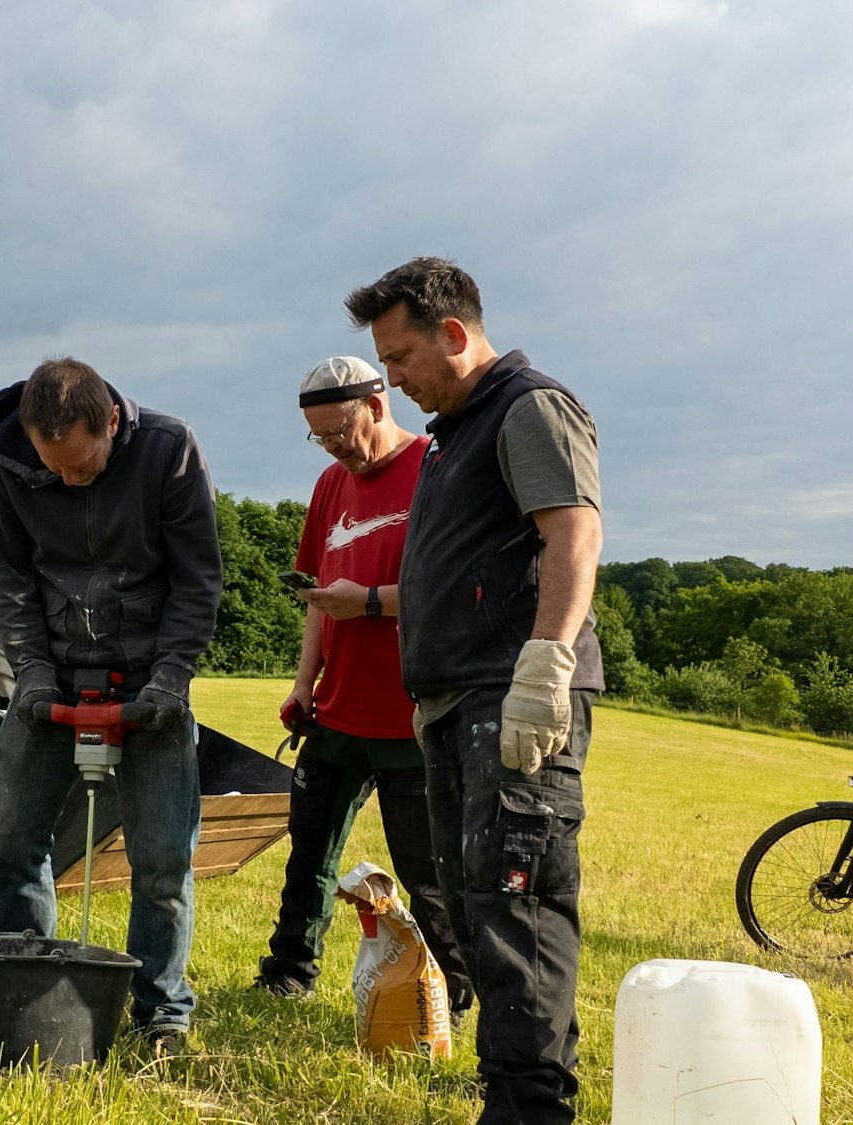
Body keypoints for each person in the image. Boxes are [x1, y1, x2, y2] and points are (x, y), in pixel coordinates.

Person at [344, 258, 603, 1124]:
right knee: (475, 901)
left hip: (511, 694)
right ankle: (517, 1085)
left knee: (515, 903)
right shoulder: (456, 432)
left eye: (403, 356)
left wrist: (547, 663)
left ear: (454, 335)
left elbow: (573, 529)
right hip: (457, 702)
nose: (394, 380)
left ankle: (529, 1107)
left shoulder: (528, 406)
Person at [0, 356, 222, 1055]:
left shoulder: (169, 452)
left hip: (148, 681)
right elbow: (11, 576)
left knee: (164, 861)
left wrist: (170, 680)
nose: (68, 479)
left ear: (111, 420)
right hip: (50, 676)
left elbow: (197, 579)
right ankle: (21, 992)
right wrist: (33, 673)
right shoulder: (8, 464)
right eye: (55, 469)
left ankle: (162, 1012)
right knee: (12, 845)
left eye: (83, 466)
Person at [252, 356, 471, 1016]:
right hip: (337, 710)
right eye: (320, 436)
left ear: (378, 402)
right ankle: (289, 971)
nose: (334, 446)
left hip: (410, 714)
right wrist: (303, 683)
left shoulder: (437, 469)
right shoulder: (330, 484)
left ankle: (448, 993)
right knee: (309, 855)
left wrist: (370, 602)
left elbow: (456, 593)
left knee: (425, 870)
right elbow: (321, 596)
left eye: (340, 430)